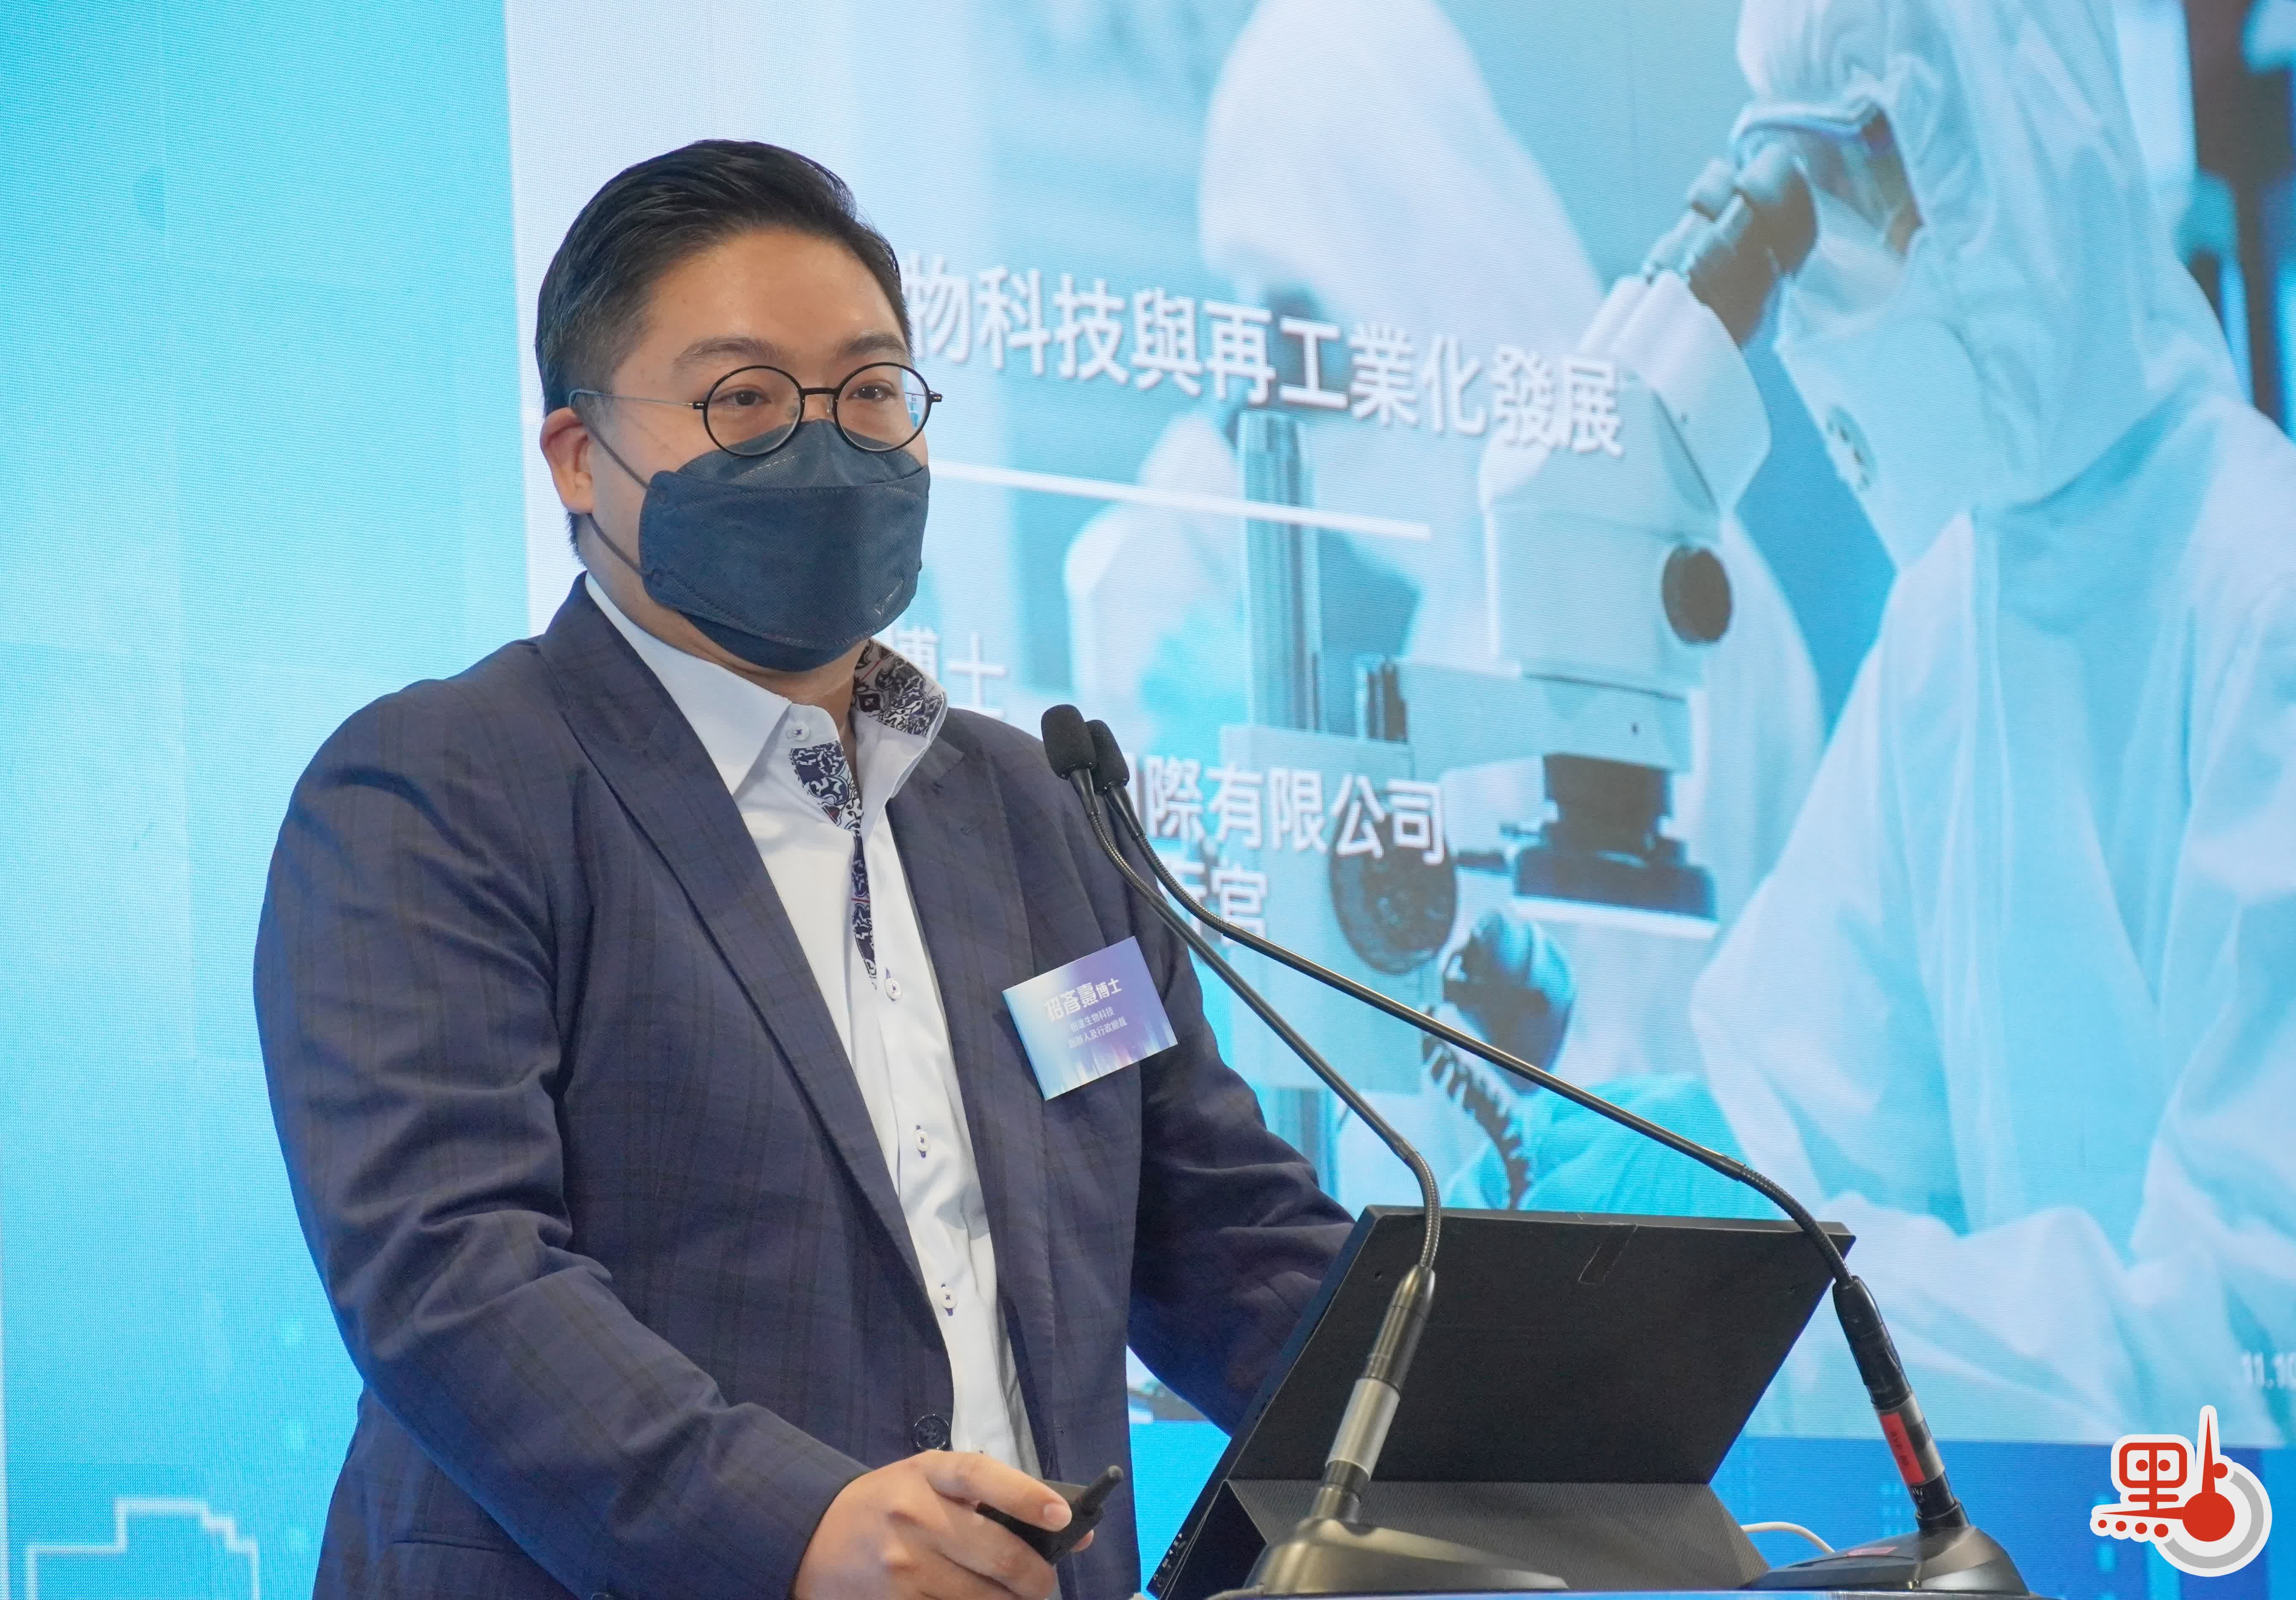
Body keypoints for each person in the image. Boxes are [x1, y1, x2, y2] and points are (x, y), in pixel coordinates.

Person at [254, 140, 1351, 1600]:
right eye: (746, 399)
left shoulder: (1040, 812)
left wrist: (1476, 1393)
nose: (827, 445)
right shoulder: (443, 784)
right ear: (580, 456)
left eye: (872, 392)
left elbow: (1216, 1230)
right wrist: (792, 1529)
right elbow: (448, 1270)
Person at [1065, 0, 1826, 1207]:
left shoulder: (1629, 570)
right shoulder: (1466, 602)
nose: (1263, 391)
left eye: (1297, 319)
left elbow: (1612, 1105)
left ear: (1408, 255)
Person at [1684, 0, 2296, 1444]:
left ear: (2021, 152)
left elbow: (2251, 1343)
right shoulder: (1949, 622)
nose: (1831, 286)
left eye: (1863, 182)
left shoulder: (2259, 586)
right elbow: (1796, 1110)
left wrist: (1782, 1300)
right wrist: (1672, 1207)